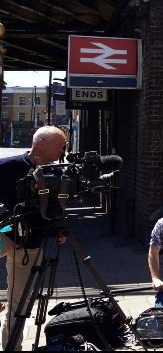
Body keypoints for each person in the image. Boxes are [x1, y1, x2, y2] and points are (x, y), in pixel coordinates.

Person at [0, 126, 67, 350]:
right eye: (60, 145)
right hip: (4, 233)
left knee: (18, 305)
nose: (62, 151)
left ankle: (12, 347)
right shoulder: (8, 167)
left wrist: (60, 229)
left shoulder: (56, 174)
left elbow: (56, 208)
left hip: (30, 245)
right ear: (41, 144)